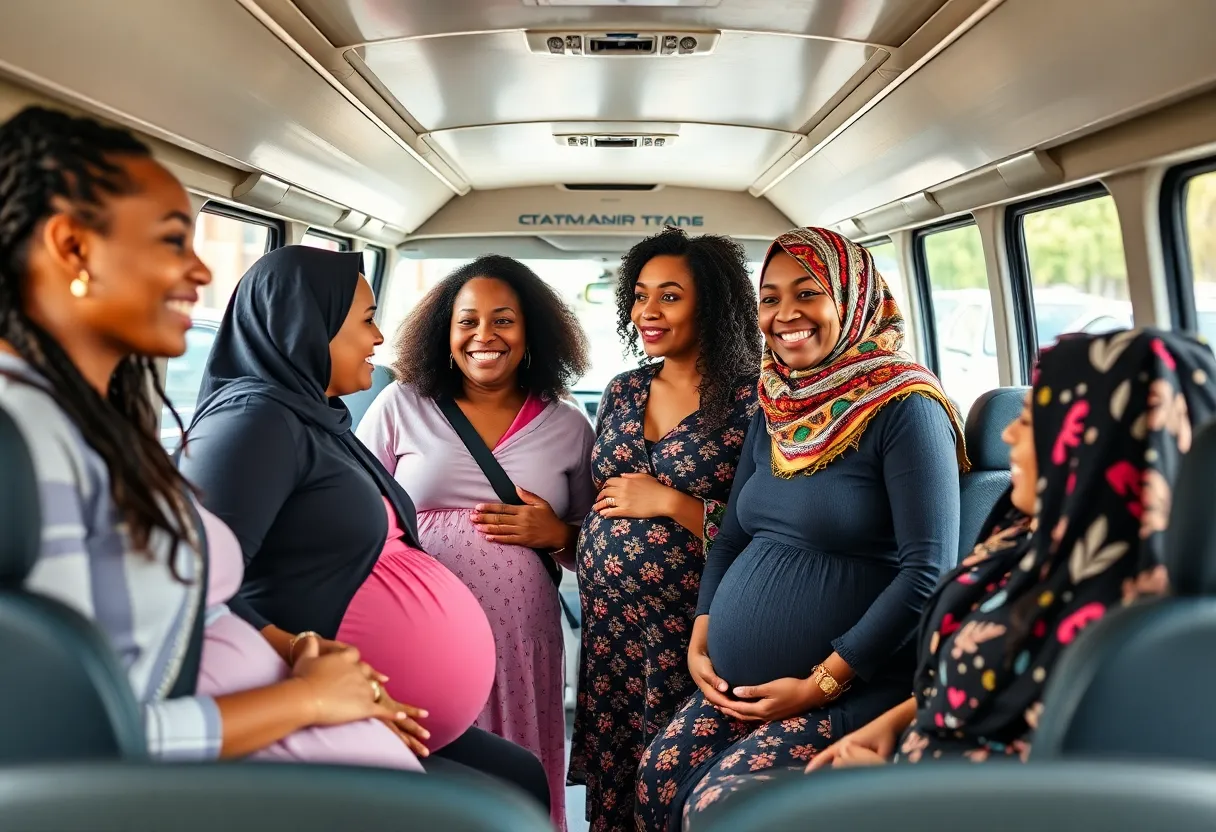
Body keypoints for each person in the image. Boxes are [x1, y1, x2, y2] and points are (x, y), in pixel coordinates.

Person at [0, 106, 423, 766]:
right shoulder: (22, 441)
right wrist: (308, 701)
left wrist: (294, 652)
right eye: (173, 241)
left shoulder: (89, 423)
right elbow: (63, 742)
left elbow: (168, 619)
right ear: (73, 248)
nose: (201, 273)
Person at [679, 328, 1216, 831]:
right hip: (911, 751)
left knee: (720, 805)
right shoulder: (1024, 540)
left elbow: (1047, 784)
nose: (1007, 433)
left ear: (1092, 437)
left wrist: (893, 781)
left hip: (945, 795)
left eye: (1034, 419)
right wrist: (889, 729)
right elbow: (960, 677)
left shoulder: (1128, 625)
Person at [178, 245, 549, 807]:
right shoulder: (254, 423)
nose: (378, 338)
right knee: (510, 790)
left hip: (386, 708)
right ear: (309, 328)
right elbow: (197, 579)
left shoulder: (316, 418)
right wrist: (301, 657)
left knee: (519, 779)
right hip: (325, 702)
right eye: (367, 320)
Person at [635, 226, 967, 832]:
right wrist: (702, 635)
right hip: (738, 682)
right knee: (658, 775)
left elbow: (928, 572)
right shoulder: (779, 402)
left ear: (853, 299)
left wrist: (821, 684)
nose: (785, 314)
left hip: (854, 688)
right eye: (770, 298)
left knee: (717, 807)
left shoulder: (907, 407)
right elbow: (733, 537)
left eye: (808, 293)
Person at [355, 255, 596, 829]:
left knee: (516, 766)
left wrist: (557, 534)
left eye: (503, 320)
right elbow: (354, 513)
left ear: (531, 332)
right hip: (417, 632)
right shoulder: (401, 405)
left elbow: (598, 548)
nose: (484, 335)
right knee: (432, 770)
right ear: (445, 333)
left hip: (521, 637)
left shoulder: (568, 425)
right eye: (467, 321)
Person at [567, 227, 762, 832]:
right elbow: (605, 497)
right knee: (617, 781)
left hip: (694, 630)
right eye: (641, 295)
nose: (647, 311)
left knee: (677, 784)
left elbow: (772, 529)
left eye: (670, 296)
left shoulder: (756, 399)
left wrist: (674, 503)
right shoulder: (624, 389)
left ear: (713, 305)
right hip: (611, 632)